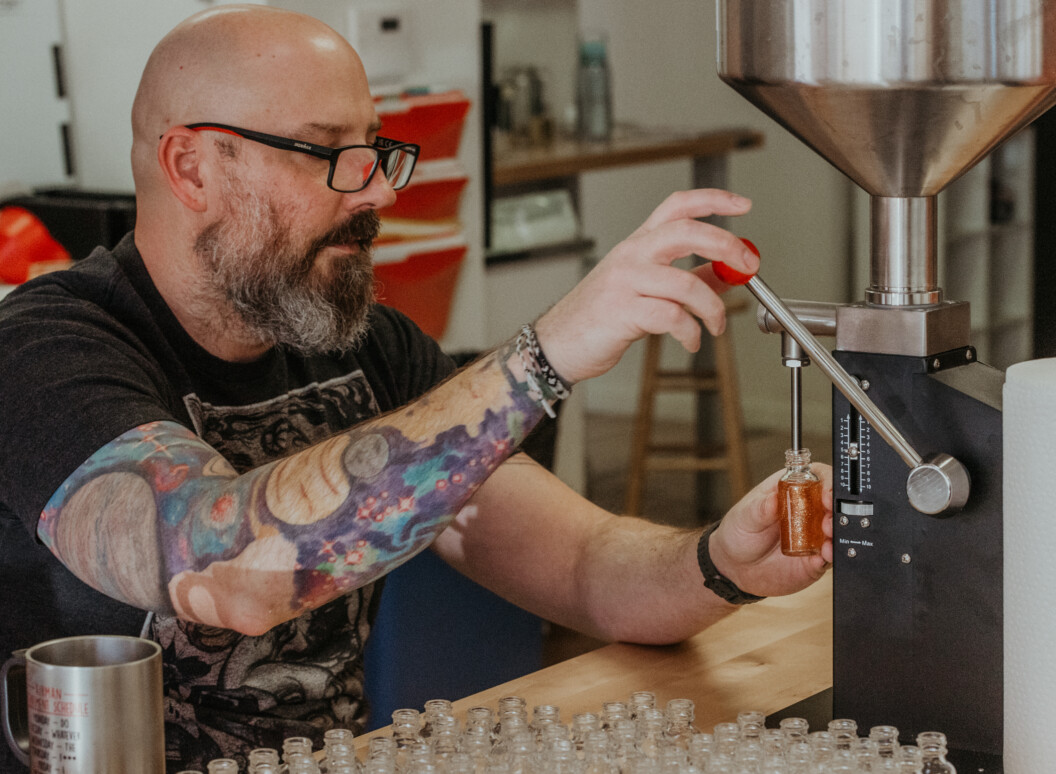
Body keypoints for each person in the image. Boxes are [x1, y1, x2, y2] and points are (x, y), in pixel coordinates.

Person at [0, 4, 833, 770]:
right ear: (192, 167)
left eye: (377, 149)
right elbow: (219, 569)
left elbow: (581, 567)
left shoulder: (369, 351)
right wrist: (542, 356)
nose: (380, 192)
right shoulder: (46, 351)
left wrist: (721, 563)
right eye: (332, 153)